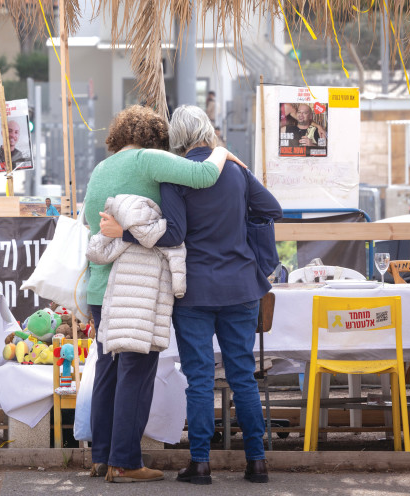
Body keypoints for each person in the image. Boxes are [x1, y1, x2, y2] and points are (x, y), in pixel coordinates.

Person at [100, 105, 281, 485]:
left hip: (194, 291)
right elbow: (271, 208)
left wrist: (126, 233)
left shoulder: (175, 177)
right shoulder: (235, 171)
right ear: (208, 131)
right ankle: (257, 462)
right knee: (243, 376)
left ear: (176, 139)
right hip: (241, 287)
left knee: (199, 378)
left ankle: (200, 464)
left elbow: (173, 235)